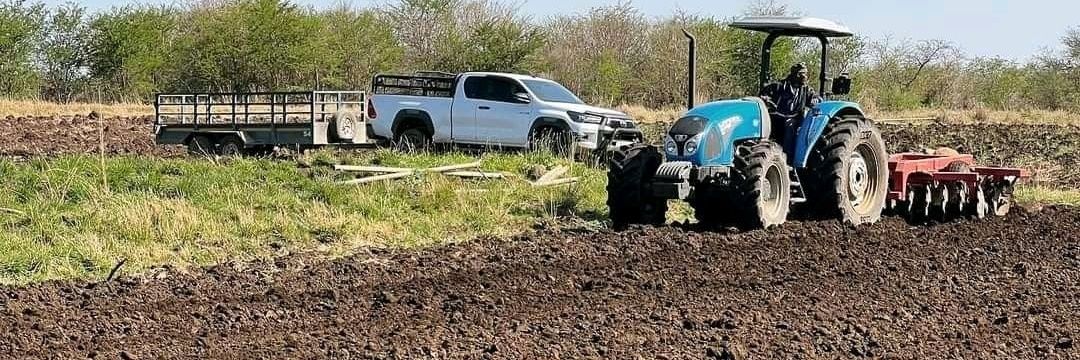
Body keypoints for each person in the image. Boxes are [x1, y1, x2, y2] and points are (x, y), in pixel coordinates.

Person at [759, 63, 821, 144]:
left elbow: (816, 98)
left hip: (795, 120)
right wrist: (768, 101)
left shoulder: (806, 90)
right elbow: (763, 96)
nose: (805, 76)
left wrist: (815, 99)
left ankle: (787, 154)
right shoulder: (778, 86)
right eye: (802, 74)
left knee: (790, 124)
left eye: (806, 74)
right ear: (795, 75)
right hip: (777, 119)